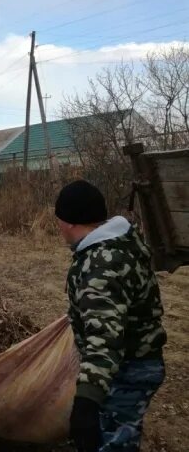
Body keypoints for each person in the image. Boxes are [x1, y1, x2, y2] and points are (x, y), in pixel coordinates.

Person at [55, 180, 167, 452]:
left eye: (58, 219)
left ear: (69, 222)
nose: (58, 226)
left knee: (111, 443)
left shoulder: (100, 265)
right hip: (136, 361)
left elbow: (104, 338)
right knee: (122, 435)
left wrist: (87, 401)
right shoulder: (120, 241)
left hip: (128, 369)